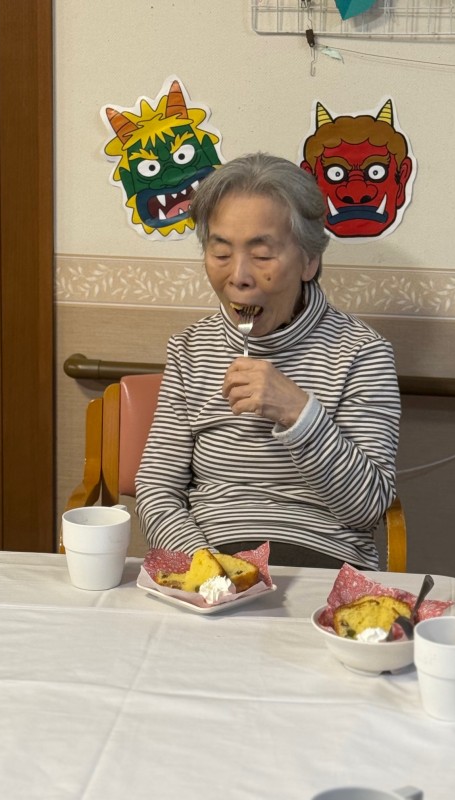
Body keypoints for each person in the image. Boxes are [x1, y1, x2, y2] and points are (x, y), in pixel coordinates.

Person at [135, 152, 401, 570]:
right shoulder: (190, 349)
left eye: (261, 256)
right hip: (211, 557)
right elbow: (157, 490)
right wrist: (207, 568)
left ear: (309, 260)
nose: (238, 276)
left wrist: (298, 412)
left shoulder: (362, 352)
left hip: (322, 561)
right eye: (221, 253)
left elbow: (367, 508)